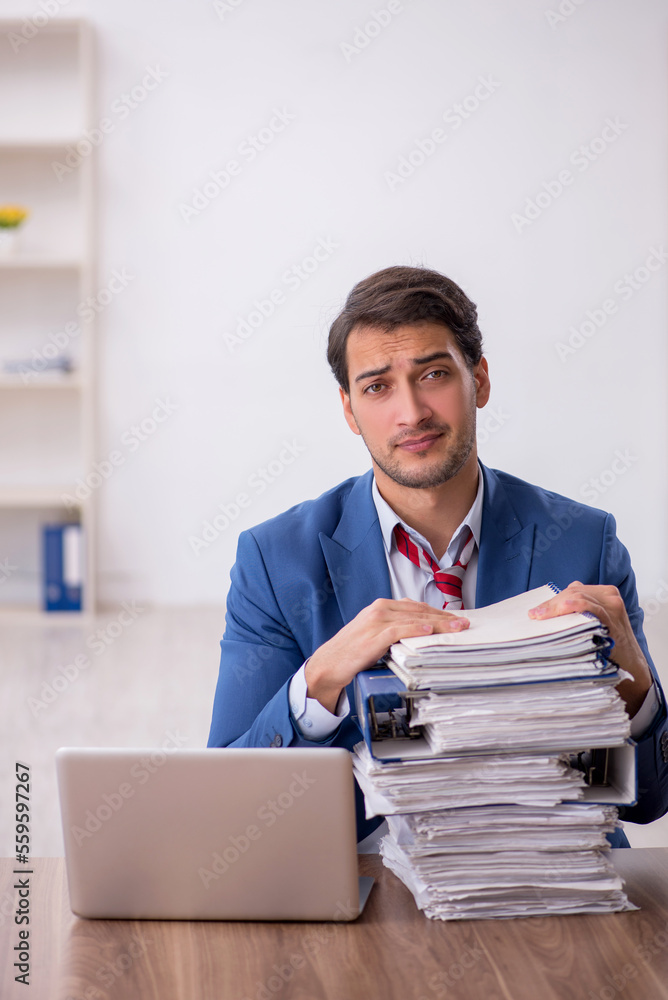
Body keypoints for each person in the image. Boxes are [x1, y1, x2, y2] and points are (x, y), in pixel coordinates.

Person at [208, 265, 668, 847]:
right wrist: (320, 682)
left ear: (479, 379)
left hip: (552, 887)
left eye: (433, 374)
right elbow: (234, 807)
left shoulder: (584, 542)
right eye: (377, 386)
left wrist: (634, 687)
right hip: (370, 892)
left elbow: (648, 800)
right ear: (349, 410)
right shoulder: (275, 561)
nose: (412, 413)